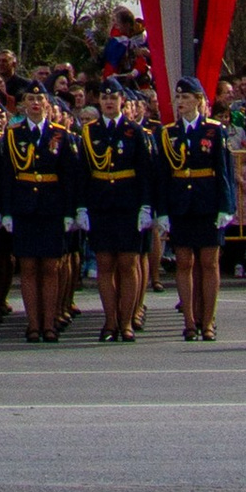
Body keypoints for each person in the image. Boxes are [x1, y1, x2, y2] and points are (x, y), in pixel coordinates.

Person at [2, 78, 78, 343]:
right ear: (22, 105)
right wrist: (7, 211)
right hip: (24, 207)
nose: (35, 104)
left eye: (40, 99)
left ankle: (49, 322)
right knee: (29, 268)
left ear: (48, 104)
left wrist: (70, 212)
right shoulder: (13, 135)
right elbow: (8, 175)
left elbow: (68, 177)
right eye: (30, 100)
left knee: (50, 267)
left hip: (51, 207)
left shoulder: (60, 134)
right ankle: (33, 323)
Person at [80, 77, 154, 345]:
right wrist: (82, 207)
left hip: (127, 205)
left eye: (114, 98)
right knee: (105, 264)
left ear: (122, 100)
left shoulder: (134, 132)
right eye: (104, 97)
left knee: (128, 263)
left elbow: (145, 173)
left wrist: (146, 206)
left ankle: (126, 320)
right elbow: (84, 173)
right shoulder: (89, 132)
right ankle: (110, 320)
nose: (109, 102)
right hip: (100, 205)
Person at [158, 80, 232, 340]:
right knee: (185, 262)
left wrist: (226, 206)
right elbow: (164, 175)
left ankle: (208, 320)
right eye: (177, 97)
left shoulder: (214, 130)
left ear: (199, 100)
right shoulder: (168, 132)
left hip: (207, 202)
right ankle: (189, 320)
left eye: (186, 96)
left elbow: (224, 170)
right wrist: (163, 210)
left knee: (209, 263)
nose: (181, 102)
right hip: (180, 203)